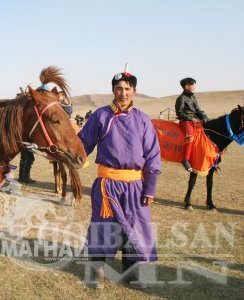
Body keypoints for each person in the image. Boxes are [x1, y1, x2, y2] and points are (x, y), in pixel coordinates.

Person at [78, 69, 161, 288]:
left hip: (135, 185)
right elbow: (83, 144)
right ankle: (97, 273)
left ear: (134, 91)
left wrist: (149, 189)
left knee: (134, 229)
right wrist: (67, 153)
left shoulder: (143, 119)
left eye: (127, 89)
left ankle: (132, 273)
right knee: (103, 227)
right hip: (107, 185)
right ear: (113, 91)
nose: (122, 93)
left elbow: (152, 155)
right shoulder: (101, 115)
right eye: (118, 89)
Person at [175, 77, 208, 172]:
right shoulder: (181, 98)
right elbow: (179, 113)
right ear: (186, 86)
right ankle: (185, 160)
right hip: (185, 121)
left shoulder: (193, 97)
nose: (194, 87)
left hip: (195, 120)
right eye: (193, 85)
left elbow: (197, 109)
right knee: (190, 136)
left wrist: (203, 116)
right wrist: (191, 118)